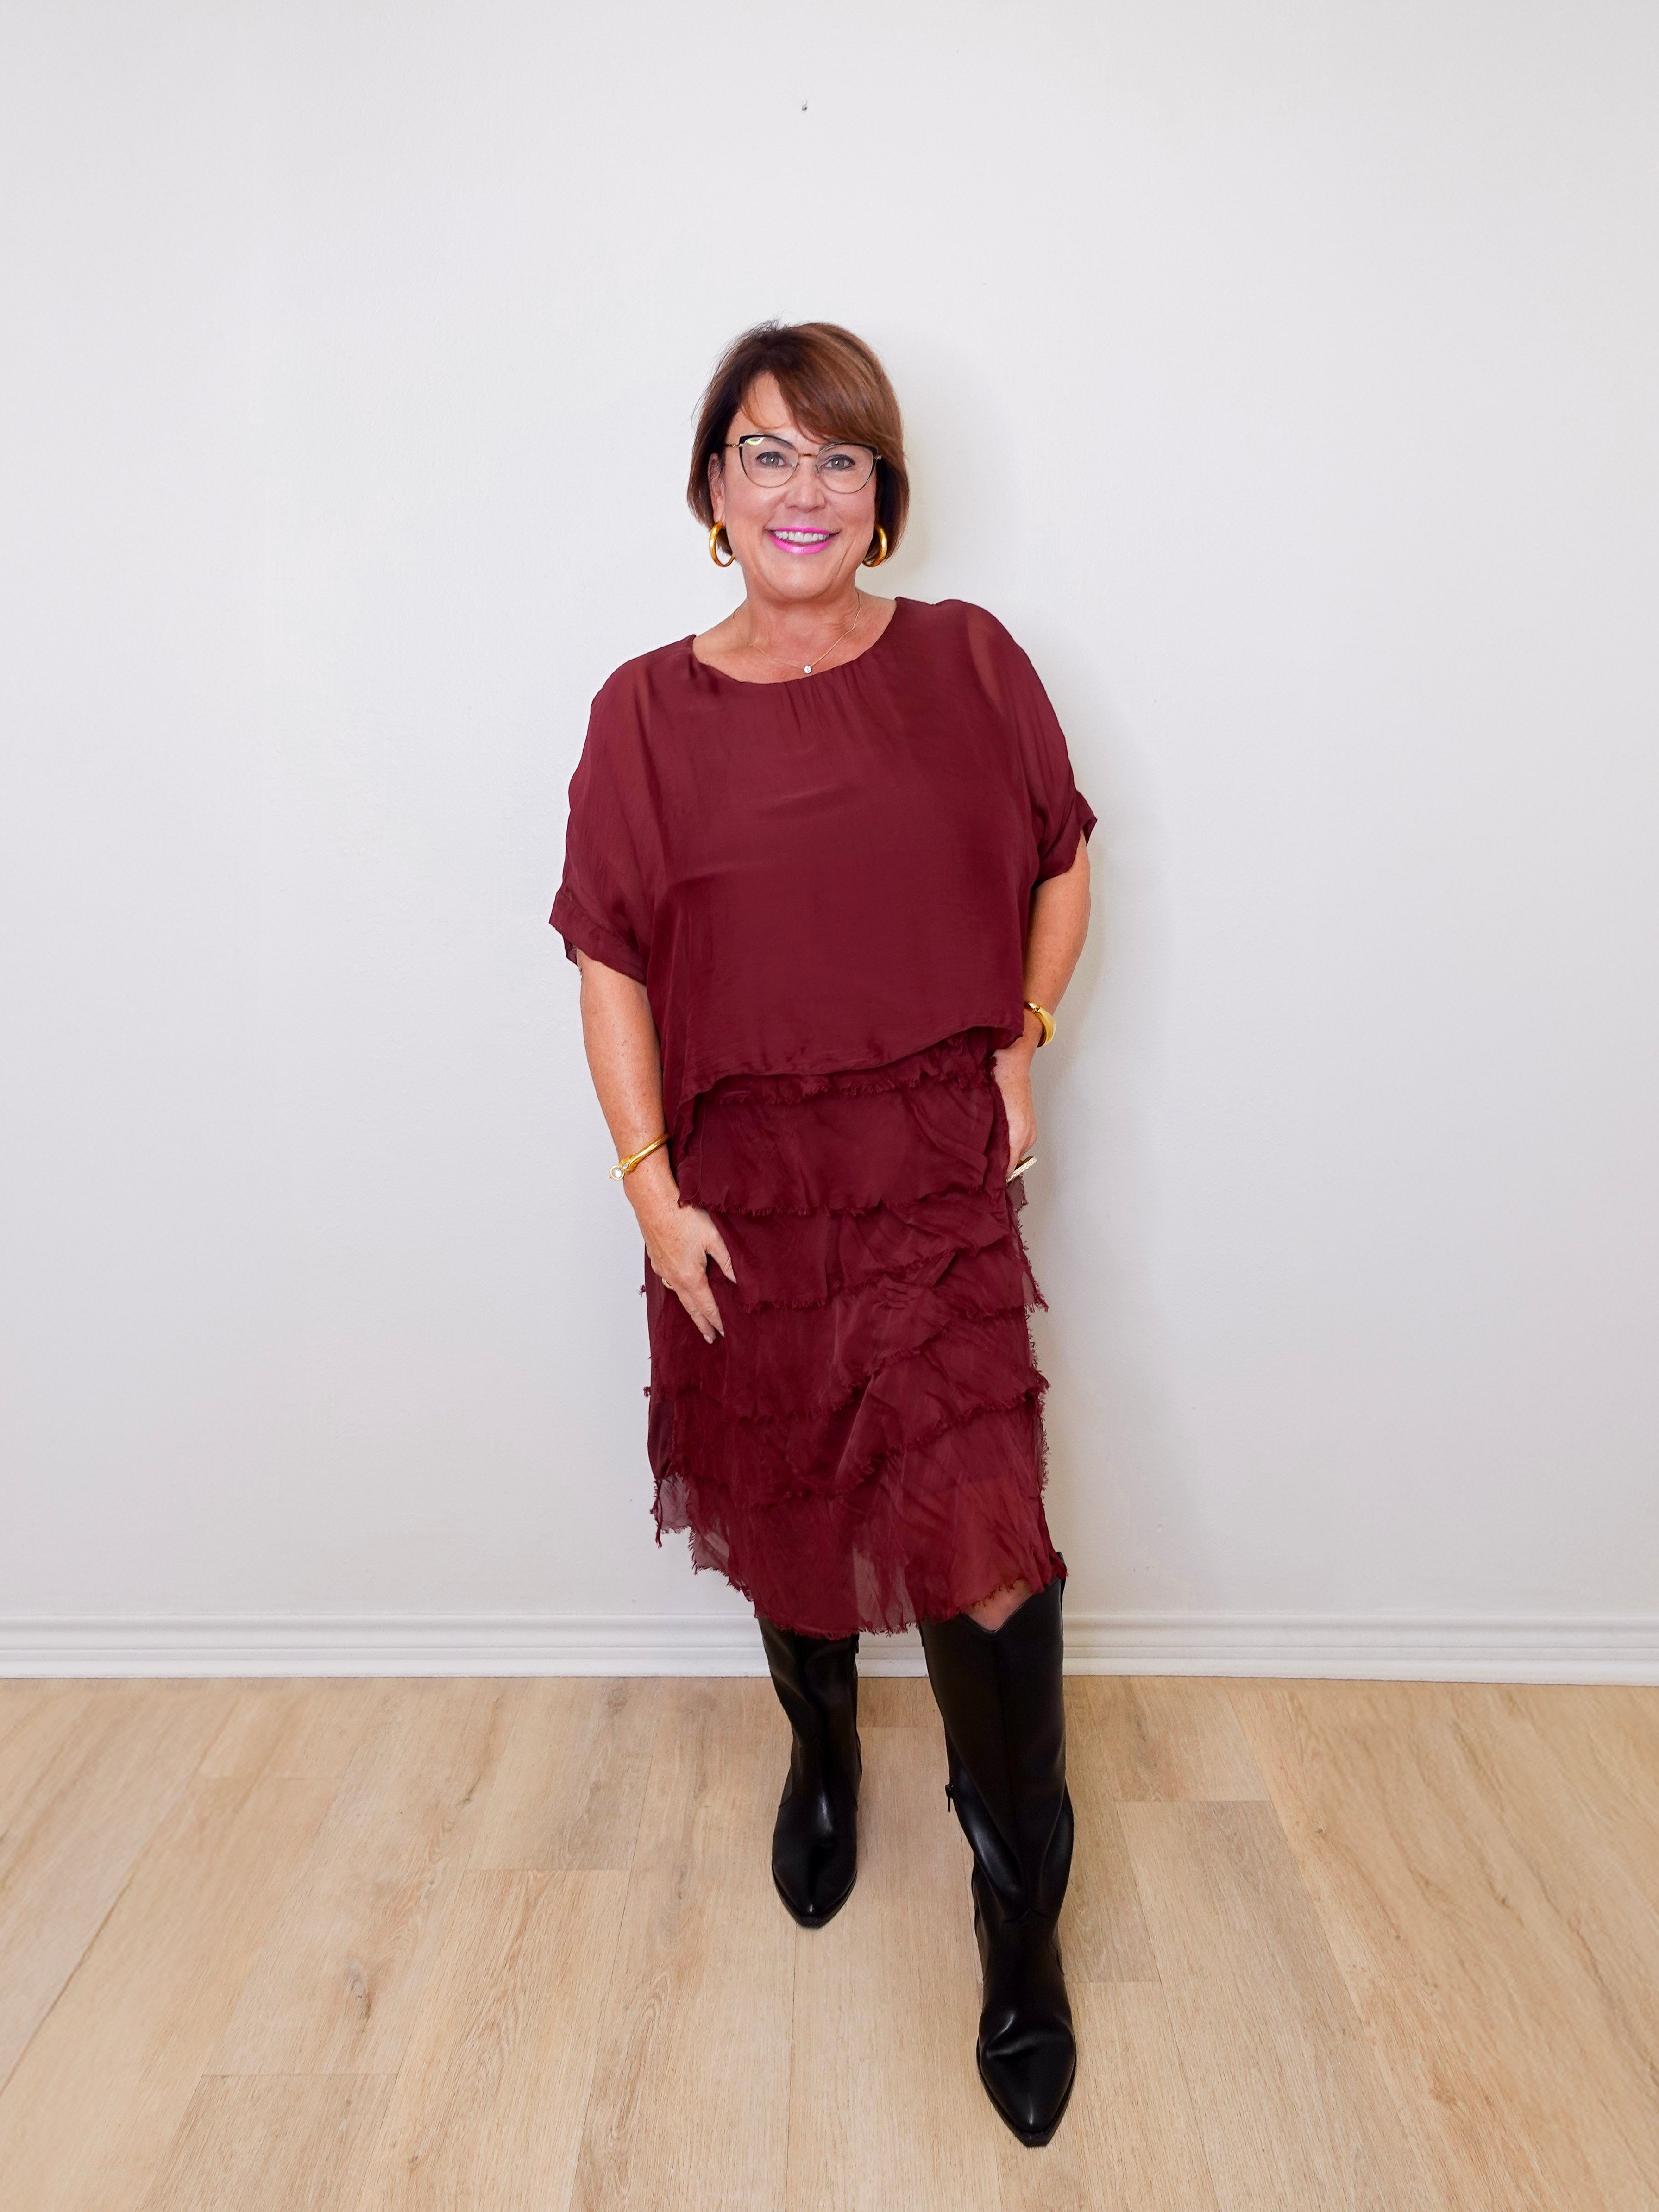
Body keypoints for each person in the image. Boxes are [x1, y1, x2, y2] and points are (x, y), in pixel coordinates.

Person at [550, 320, 1094, 2148]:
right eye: (767, 455)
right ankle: (822, 1746)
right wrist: (649, 1185)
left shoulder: (968, 661)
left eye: (838, 459)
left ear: (883, 498)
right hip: (741, 1188)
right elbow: (610, 954)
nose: (804, 491)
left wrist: (1020, 1037)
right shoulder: (642, 710)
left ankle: (1019, 1922)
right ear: (712, 490)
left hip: (930, 1171)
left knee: (984, 1540)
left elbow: (1059, 855)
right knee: (790, 1502)